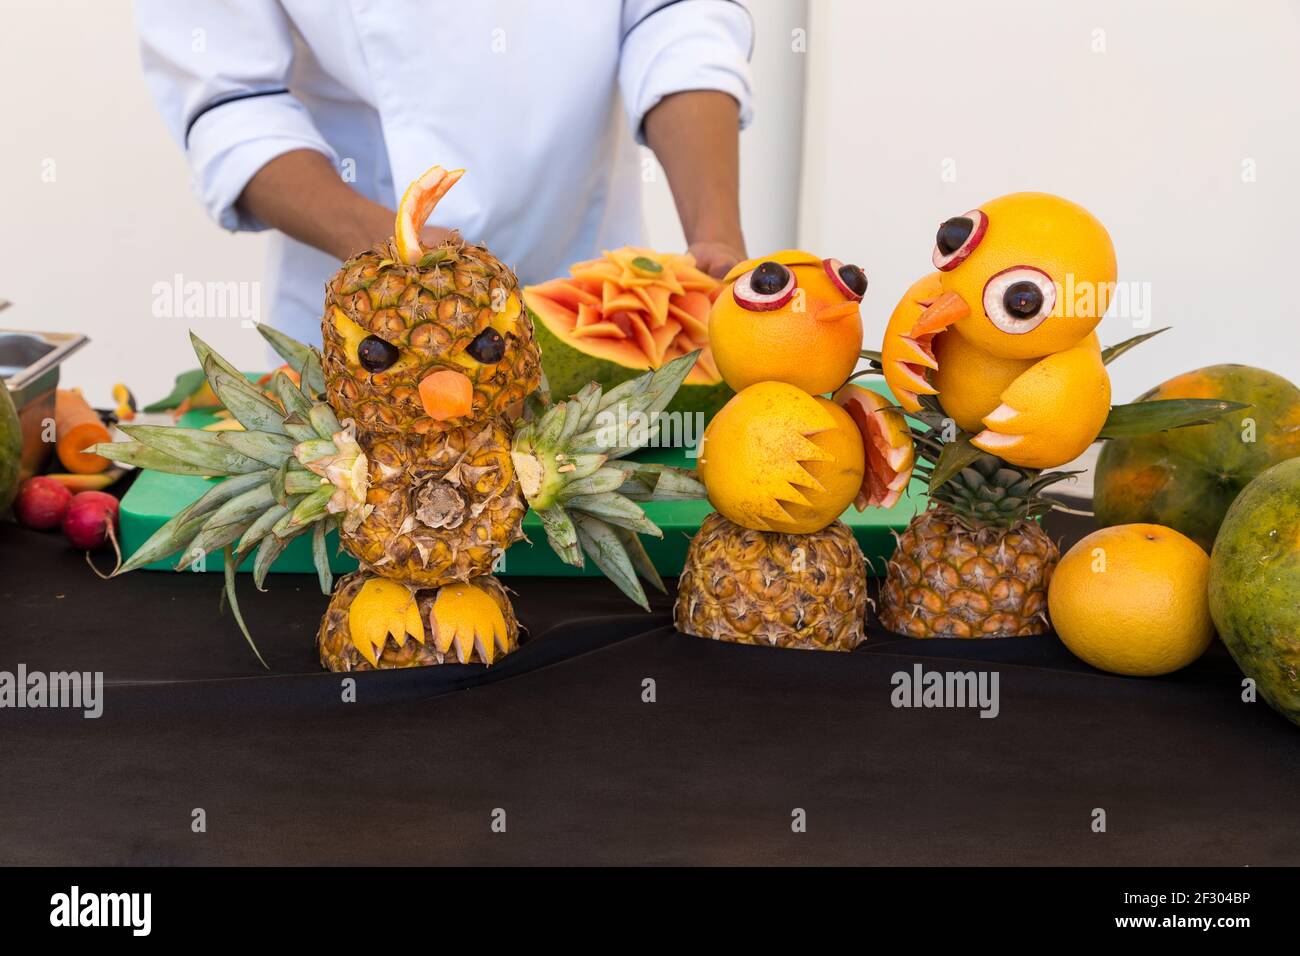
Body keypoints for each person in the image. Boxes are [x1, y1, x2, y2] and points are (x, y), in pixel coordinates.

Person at [134, 0, 754, 345]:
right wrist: (388, 245)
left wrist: (718, 237)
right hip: (366, 313)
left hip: (598, 299)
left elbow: (677, 20)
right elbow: (234, 102)